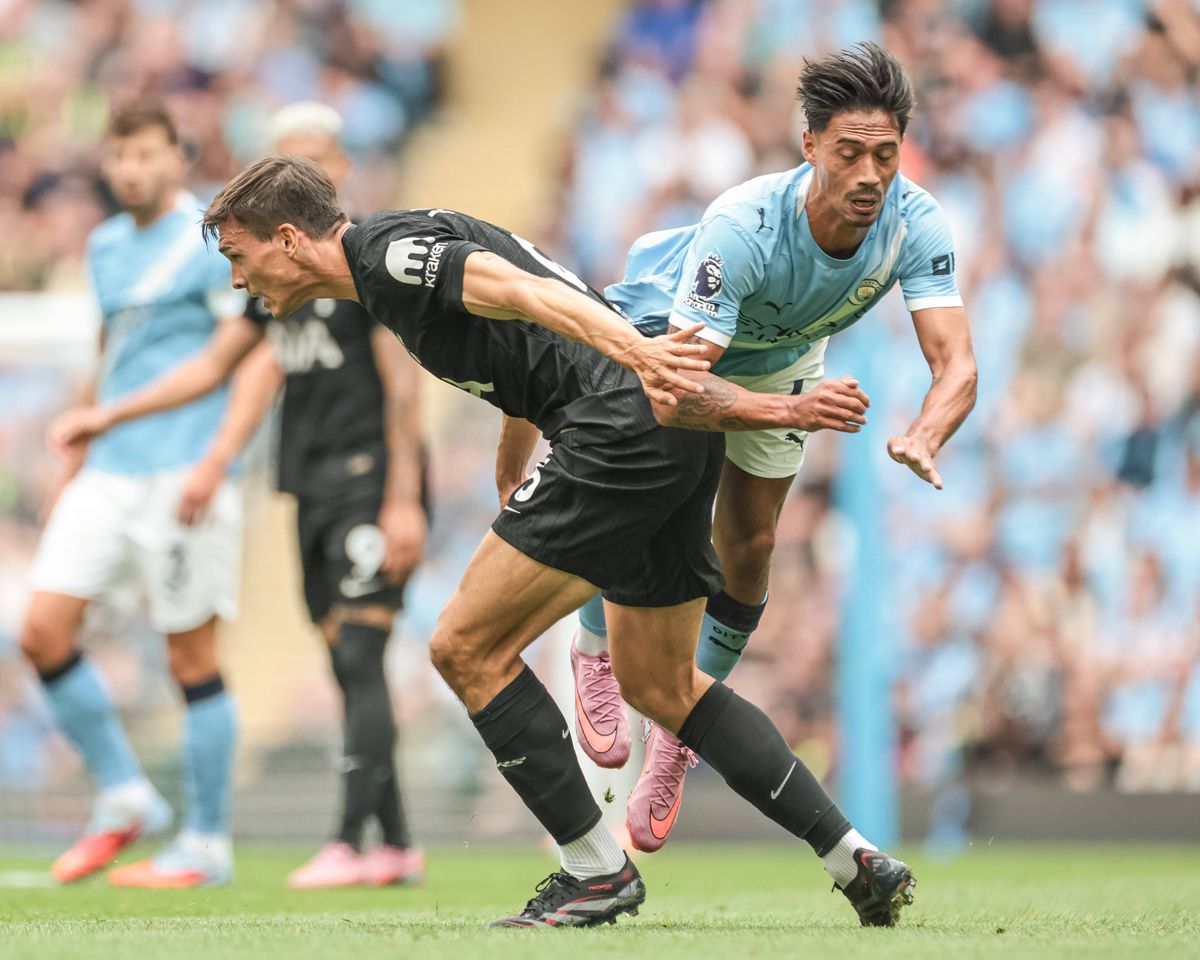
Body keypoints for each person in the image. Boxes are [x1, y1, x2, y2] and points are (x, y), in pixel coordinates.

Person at [87, 153, 915, 928]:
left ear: (290, 241)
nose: (237, 277)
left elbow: (523, 292)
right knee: (662, 686)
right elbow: (521, 334)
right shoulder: (390, 265)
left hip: (622, 423)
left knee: (463, 648)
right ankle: (855, 860)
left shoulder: (385, 255)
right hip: (659, 429)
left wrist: (643, 358)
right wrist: (516, 462)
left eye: (240, 254)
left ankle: (595, 870)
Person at [565, 42, 978, 852]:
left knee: (750, 547)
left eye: (885, 155)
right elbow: (680, 391)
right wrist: (785, 409)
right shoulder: (744, 226)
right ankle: (593, 649)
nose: (868, 174)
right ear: (810, 146)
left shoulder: (915, 221)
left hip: (783, 358)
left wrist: (927, 432)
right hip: (662, 340)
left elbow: (957, 361)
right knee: (650, 492)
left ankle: (682, 727)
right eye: (849, 153)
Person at [79, 102, 429, 888]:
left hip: (371, 478)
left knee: (363, 652)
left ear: (338, 167)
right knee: (345, 660)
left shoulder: (364, 260)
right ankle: (397, 843)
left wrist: (404, 495)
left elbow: (403, 380)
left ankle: (349, 839)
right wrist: (116, 414)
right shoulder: (272, 274)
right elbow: (229, 370)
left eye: (314, 159)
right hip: (309, 481)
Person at [23, 99, 246, 887]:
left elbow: (230, 359)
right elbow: (107, 349)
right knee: (41, 630)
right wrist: (76, 454)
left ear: (176, 158)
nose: (131, 169)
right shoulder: (107, 245)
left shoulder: (214, 242)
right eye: (120, 155)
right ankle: (125, 793)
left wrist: (217, 458)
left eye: (147, 154)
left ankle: (209, 843)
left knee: (191, 658)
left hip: (182, 470)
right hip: (110, 468)